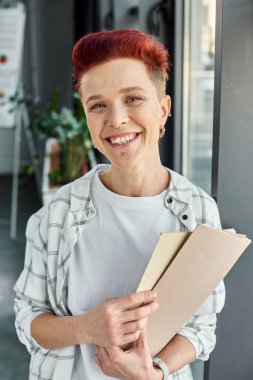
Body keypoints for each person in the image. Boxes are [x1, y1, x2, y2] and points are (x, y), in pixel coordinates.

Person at [14, 29, 225, 380]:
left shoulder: (199, 211)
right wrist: (87, 327)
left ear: (163, 110)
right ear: (86, 118)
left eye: (133, 99)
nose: (116, 120)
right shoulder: (58, 213)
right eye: (98, 105)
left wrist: (153, 373)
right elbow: (27, 318)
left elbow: (201, 326)